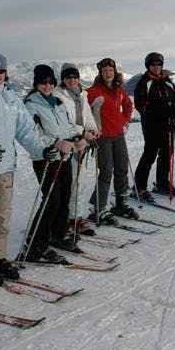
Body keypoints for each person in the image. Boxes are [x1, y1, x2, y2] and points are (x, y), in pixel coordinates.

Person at [0, 52, 73, 286]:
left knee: (1, 216)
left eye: (0, 71)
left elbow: (26, 132)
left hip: (6, 166)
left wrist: (45, 148)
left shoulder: (11, 98)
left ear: (5, 73)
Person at [22, 64, 86, 261]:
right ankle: (34, 244)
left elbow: (65, 127)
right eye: (43, 82)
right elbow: (32, 135)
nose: (47, 85)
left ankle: (58, 234)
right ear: (36, 83)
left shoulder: (57, 102)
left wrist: (78, 136)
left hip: (64, 156)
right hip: (46, 158)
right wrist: (55, 144)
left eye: (50, 82)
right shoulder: (30, 104)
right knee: (52, 199)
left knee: (65, 196)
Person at [86, 57, 137, 223]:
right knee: (106, 171)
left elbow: (129, 105)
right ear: (100, 73)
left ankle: (121, 203)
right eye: (105, 70)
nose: (108, 73)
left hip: (118, 135)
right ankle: (98, 208)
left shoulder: (119, 89)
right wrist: (91, 130)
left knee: (122, 169)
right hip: (103, 138)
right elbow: (85, 114)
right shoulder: (92, 92)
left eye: (111, 70)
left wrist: (125, 122)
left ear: (114, 72)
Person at [54, 63, 99, 236]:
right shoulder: (58, 95)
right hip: (68, 144)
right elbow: (63, 120)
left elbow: (87, 117)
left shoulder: (82, 95)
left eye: (75, 77)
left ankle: (75, 217)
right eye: (68, 77)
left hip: (82, 145)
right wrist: (83, 133)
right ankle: (64, 218)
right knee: (68, 184)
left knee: (79, 182)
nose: (72, 80)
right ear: (63, 79)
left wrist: (92, 129)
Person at [133, 52, 175, 200]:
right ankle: (139, 187)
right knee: (149, 155)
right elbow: (140, 105)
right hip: (152, 126)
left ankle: (162, 182)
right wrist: (157, 112)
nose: (156, 67)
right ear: (148, 66)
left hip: (169, 125)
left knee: (166, 153)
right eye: (153, 65)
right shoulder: (144, 82)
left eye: (159, 65)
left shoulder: (167, 81)